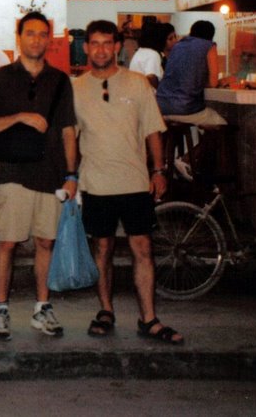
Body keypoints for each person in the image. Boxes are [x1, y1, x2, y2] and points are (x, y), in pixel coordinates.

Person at [73, 19, 183, 345]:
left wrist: (159, 170)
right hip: (95, 183)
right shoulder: (75, 88)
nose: (101, 49)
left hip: (135, 182)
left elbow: (152, 130)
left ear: (118, 47)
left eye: (108, 43)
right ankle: (105, 310)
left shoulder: (138, 84)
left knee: (143, 249)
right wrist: (67, 177)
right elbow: (68, 138)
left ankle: (148, 318)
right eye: (95, 43)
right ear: (86, 47)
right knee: (102, 249)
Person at [0, 11, 77, 340]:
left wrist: (72, 174)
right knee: (6, 243)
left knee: (46, 243)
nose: (36, 39)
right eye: (30, 33)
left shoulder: (60, 81)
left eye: (42, 34)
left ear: (49, 39)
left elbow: (68, 131)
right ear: (18, 37)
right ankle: (1, 309)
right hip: (13, 174)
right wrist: (22, 116)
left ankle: (42, 308)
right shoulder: (2, 77)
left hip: (51, 175)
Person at [156, 20, 226, 127]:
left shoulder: (177, 46)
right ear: (211, 35)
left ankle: (196, 144)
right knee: (222, 124)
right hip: (185, 108)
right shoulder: (209, 46)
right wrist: (225, 81)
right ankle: (203, 144)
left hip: (160, 107)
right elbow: (213, 83)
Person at [129, 22, 177, 87]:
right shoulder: (152, 54)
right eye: (170, 39)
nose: (175, 41)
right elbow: (151, 76)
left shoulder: (142, 51)